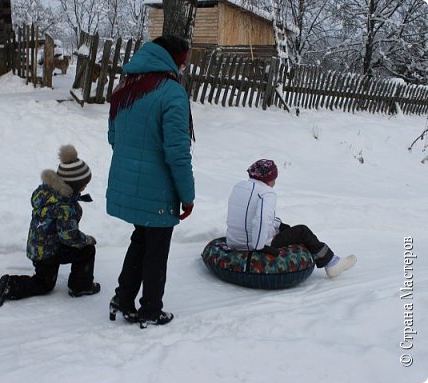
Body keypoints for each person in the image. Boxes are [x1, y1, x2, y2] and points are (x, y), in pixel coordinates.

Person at [106, 35, 195, 328]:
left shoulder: (126, 86)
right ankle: (150, 310)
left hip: (130, 183)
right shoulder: (171, 92)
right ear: (174, 58)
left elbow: (114, 138)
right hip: (158, 189)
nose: (184, 65)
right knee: (156, 250)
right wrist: (187, 194)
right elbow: (178, 153)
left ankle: (123, 298)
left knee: (141, 240)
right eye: (184, 59)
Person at [0, 145, 100, 308]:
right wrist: (87, 240)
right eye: (83, 184)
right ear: (75, 185)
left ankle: (11, 284)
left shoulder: (47, 193)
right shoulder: (64, 207)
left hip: (38, 247)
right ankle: (81, 286)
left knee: (44, 284)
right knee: (87, 250)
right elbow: (69, 237)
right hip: (51, 250)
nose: (85, 188)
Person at [226, 159, 357, 278]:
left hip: (234, 241)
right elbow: (261, 220)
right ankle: (332, 263)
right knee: (302, 231)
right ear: (268, 179)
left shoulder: (239, 186)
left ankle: (329, 259)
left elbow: (247, 214)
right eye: (274, 178)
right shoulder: (266, 193)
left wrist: (278, 224)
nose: (275, 182)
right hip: (254, 245)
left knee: (286, 228)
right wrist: (260, 247)